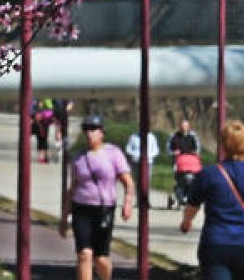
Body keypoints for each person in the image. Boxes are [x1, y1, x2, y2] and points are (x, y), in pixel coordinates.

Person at [179, 120, 244, 280]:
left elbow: (192, 206)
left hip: (215, 243)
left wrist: (186, 222)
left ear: (223, 145)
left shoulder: (209, 174)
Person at [60, 115, 134, 280]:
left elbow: (128, 182)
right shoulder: (79, 158)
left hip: (104, 209)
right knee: (84, 254)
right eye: (86, 129)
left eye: (93, 129)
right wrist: (64, 217)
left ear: (101, 132)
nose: (89, 133)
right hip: (81, 208)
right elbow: (72, 189)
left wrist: (127, 203)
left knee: (100, 258)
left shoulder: (113, 153)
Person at [168, 119, 203, 208]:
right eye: (182, 126)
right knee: (179, 181)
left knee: (191, 180)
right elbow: (169, 148)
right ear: (180, 127)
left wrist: (195, 152)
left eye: (186, 126)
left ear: (188, 127)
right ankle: (179, 196)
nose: (184, 128)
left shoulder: (192, 137)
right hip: (178, 161)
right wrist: (173, 152)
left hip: (191, 162)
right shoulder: (174, 137)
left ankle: (187, 195)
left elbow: (197, 149)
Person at [125, 128, 160, 205]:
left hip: (148, 162)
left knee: (146, 181)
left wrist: (148, 156)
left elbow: (156, 150)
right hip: (136, 161)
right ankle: (139, 200)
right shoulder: (133, 137)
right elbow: (128, 148)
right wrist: (135, 155)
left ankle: (145, 200)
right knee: (138, 181)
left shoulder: (152, 137)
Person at [32, 99, 56, 163]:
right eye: (39, 103)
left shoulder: (46, 108)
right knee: (40, 141)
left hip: (44, 124)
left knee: (44, 141)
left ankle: (45, 157)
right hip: (40, 125)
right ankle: (42, 157)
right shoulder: (37, 108)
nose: (40, 104)